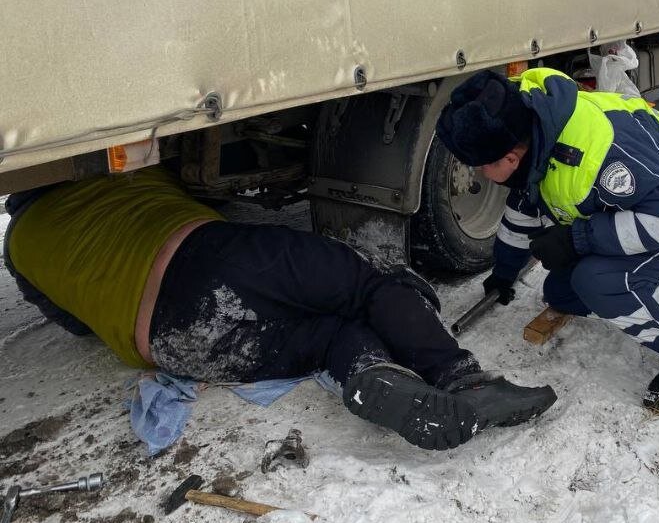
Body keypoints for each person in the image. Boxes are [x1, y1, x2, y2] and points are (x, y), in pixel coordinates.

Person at [2, 167, 556, 451]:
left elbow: (75, 325)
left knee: (330, 338)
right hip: (207, 259)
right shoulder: (114, 172)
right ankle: (462, 378)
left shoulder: (18, 246)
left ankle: (373, 378)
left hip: (167, 341)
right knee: (365, 285)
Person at [436, 68, 659, 411]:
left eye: (481, 166)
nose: (480, 174)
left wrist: (576, 239)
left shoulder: (603, 152)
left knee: (599, 281)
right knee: (562, 293)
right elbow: (522, 212)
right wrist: (504, 272)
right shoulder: (536, 140)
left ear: (509, 158)